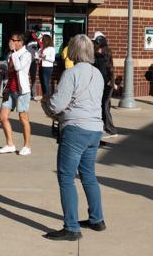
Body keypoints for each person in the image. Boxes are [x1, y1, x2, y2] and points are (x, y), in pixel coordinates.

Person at [42, 34, 105, 241]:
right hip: (95, 129)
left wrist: (47, 103)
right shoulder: (97, 74)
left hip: (75, 129)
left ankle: (71, 226)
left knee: (66, 177)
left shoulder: (71, 73)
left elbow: (57, 105)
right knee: (88, 175)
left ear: (72, 51)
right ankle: (97, 219)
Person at [0, 33, 33, 155]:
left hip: (21, 91)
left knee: (23, 118)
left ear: (20, 42)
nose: (10, 42)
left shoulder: (26, 54)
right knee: (3, 116)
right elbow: (10, 69)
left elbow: (18, 67)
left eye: (13, 40)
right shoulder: (11, 54)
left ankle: (27, 146)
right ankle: (10, 144)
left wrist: (13, 53)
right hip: (9, 89)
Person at [93, 34, 117, 138]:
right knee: (104, 106)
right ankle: (104, 127)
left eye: (96, 44)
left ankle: (110, 130)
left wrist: (110, 82)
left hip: (107, 84)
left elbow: (105, 72)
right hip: (107, 83)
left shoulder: (102, 56)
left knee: (105, 106)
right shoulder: (102, 55)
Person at [26, 30, 42, 101]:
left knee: (28, 77)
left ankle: (30, 94)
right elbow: (39, 48)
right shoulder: (33, 43)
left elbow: (39, 48)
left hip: (29, 61)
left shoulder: (27, 43)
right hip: (32, 61)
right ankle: (33, 94)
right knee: (33, 78)